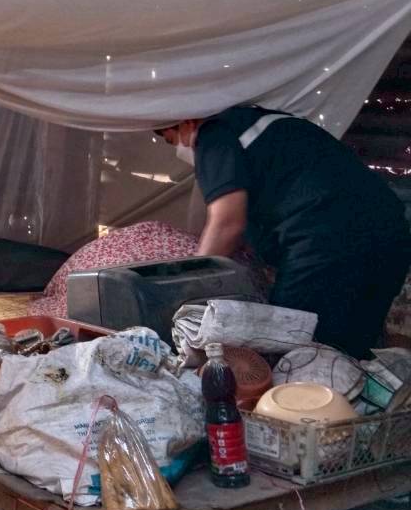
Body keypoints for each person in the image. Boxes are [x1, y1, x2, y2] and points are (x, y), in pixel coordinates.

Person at [161, 106, 411, 360]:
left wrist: (189, 289)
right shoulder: (272, 123)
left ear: (186, 121)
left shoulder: (214, 134)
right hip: (390, 233)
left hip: (327, 243)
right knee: (352, 349)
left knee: (290, 351)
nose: (181, 149)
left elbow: (227, 223)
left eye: (172, 140)